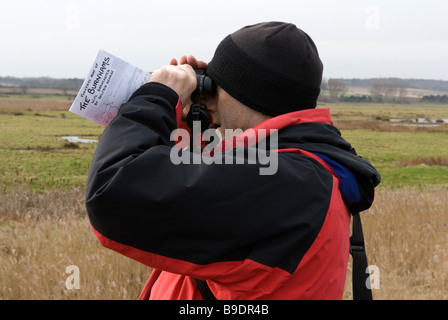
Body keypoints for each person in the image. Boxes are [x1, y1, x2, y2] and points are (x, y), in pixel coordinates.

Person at [85, 21, 381, 300]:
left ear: (250, 97)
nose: (209, 99)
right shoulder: (301, 167)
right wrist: (192, 125)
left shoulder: (284, 183)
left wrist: (154, 98)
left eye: (216, 90)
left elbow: (112, 192)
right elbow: (208, 184)